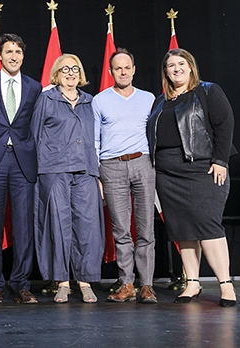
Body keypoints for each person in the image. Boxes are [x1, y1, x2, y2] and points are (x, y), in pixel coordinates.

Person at [147, 48, 237, 307]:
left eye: (180, 63)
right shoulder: (159, 101)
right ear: (165, 71)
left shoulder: (207, 91)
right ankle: (192, 283)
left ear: (190, 66)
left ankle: (225, 284)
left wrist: (221, 160)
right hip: (167, 173)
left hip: (202, 169)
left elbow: (225, 125)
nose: (176, 68)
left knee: (208, 226)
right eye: (170, 65)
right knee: (181, 228)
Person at [31, 53, 104, 303]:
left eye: (75, 69)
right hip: (54, 170)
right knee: (58, 226)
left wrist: (98, 174)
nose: (71, 73)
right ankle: (61, 282)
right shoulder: (46, 99)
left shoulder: (89, 101)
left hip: (85, 171)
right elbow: (35, 135)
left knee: (87, 226)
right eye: (65, 69)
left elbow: (96, 139)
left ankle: (84, 282)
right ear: (57, 74)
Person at [0, 34, 41, 304]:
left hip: (23, 161)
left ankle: (22, 284)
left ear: (23, 56)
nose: (13, 56)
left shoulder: (34, 87)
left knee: (24, 227)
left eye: (18, 52)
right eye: (8, 51)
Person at [92, 48, 157, 303]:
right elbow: (94, 140)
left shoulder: (149, 99)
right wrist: (97, 173)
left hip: (142, 163)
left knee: (146, 229)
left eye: (127, 67)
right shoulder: (100, 100)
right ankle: (127, 283)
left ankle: (147, 285)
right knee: (121, 230)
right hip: (111, 166)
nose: (123, 71)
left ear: (134, 69)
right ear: (110, 72)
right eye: (118, 68)